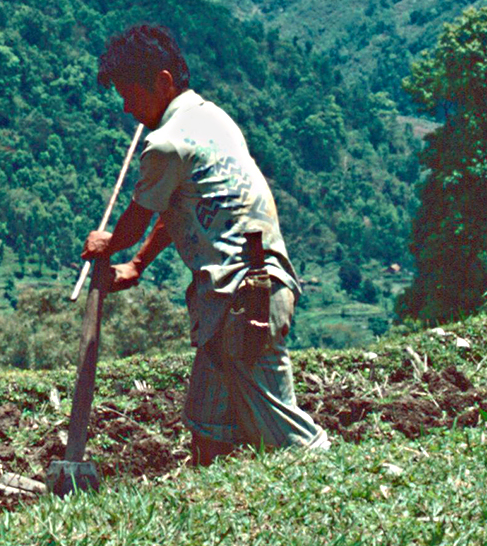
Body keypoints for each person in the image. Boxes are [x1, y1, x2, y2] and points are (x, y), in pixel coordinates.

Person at [82, 23, 329, 466]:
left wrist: (109, 244)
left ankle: (338, 483)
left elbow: (137, 219)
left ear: (162, 81)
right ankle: (211, 501)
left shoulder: (165, 144)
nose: (127, 107)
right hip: (246, 291)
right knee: (207, 423)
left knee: (285, 435)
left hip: (242, 297)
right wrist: (137, 265)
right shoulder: (212, 117)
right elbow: (178, 210)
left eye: (132, 94)